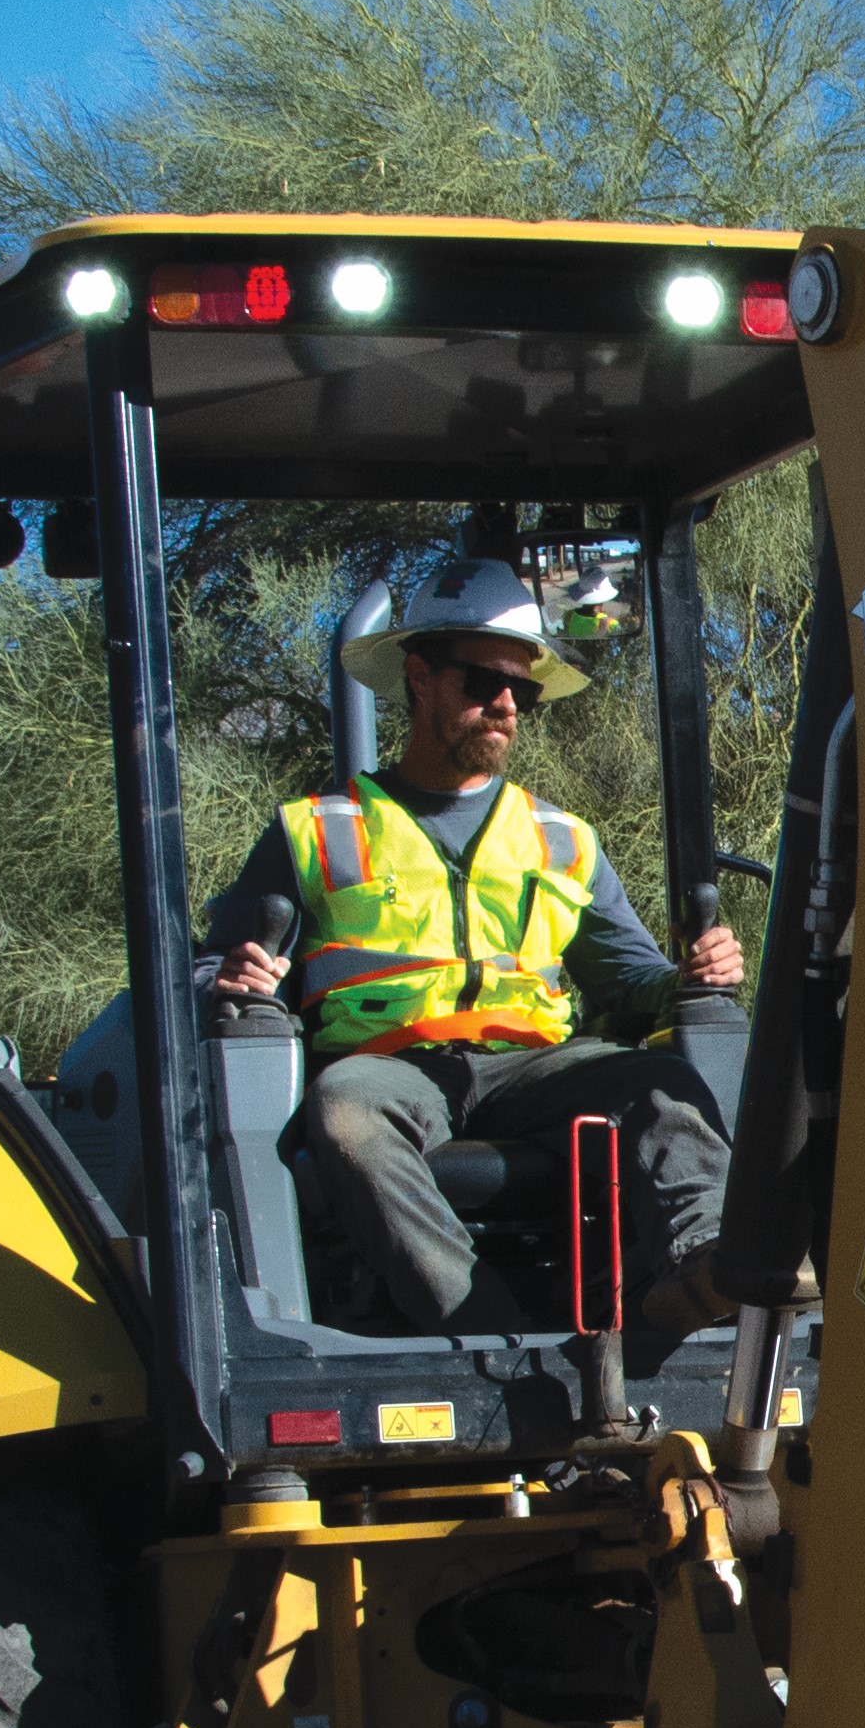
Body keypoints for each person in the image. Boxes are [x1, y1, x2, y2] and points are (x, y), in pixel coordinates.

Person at [200, 557, 745, 1333]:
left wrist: (695, 975)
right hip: (391, 1069)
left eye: (521, 692)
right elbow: (210, 969)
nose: (505, 707)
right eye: (482, 685)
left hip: (536, 1069)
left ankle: (712, 1265)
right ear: (420, 679)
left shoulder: (563, 839)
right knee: (345, 1112)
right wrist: (231, 977)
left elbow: (636, 982)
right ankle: (481, 1324)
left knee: (661, 1084)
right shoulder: (317, 829)